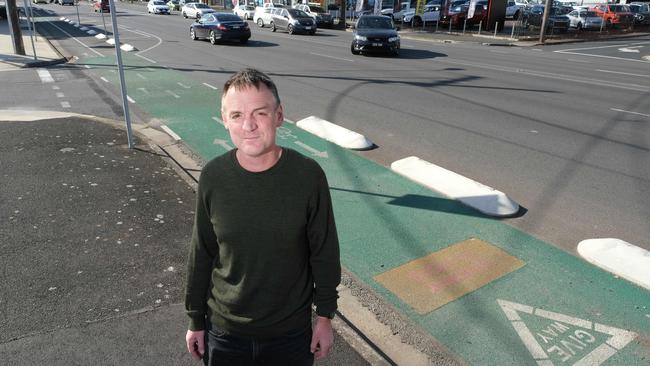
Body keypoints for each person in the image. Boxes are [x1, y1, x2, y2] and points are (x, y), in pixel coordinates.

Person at [184, 68, 341, 366]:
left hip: (291, 337)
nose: (249, 125)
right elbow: (201, 252)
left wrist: (324, 317)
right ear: (224, 120)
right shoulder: (213, 177)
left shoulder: (308, 177)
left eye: (260, 113)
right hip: (224, 334)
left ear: (279, 115)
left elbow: (324, 252)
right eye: (236, 115)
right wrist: (195, 319)